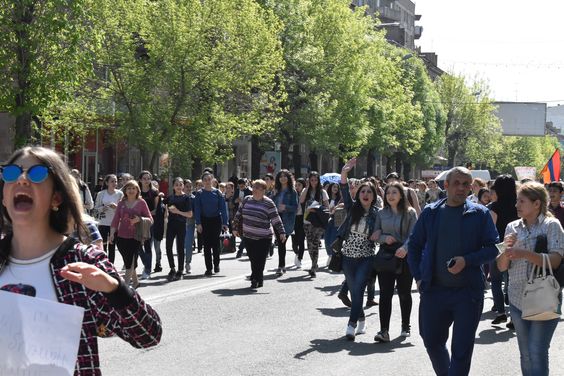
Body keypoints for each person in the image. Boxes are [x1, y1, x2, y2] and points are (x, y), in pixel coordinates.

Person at [0, 146, 161, 374]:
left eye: (36, 174)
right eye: (12, 173)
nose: (22, 179)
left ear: (56, 197)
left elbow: (149, 335)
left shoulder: (83, 262)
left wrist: (114, 290)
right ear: (5, 197)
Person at [408, 166, 499, 376]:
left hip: (468, 294)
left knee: (461, 351)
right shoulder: (431, 212)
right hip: (434, 291)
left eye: (466, 184)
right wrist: (419, 278)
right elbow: (414, 246)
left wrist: (466, 261)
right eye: (456, 183)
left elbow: (494, 248)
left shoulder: (480, 213)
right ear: (446, 185)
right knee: (431, 341)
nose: (461, 188)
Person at [497, 182, 564, 376]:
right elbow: (502, 266)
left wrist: (524, 253)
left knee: (537, 352)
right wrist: (504, 251)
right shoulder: (512, 227)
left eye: (521, 201)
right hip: (517, 299)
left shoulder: (551, 225)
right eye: (517, 200)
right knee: (525, 354)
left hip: (545, 298)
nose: (516, 205)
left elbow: (556, 260)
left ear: (536, 204)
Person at [338, 158, 380, 340]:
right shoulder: (352, 208)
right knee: (355, 292)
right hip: (348, 256)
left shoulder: (377, 213)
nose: (365, 194)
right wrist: (344, 173)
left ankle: (351, 324)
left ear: (373, 196)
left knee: (359, 290)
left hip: (367, 257)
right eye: (363, 191)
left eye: (369, 192)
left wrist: (379, 234)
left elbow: (385, 230)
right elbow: (344, 191)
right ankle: (361, 318)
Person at [373, 181, 418, 342]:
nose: (390, 196)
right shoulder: (380, 213)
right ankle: (383, 330)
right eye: (388, 193)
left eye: (394, 192)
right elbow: (375, 235)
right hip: (386, 257)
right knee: (385, 294)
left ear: (401, 195)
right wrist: (386, 238)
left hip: (404, 258)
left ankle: (405, 326)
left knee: (405, 293)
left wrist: (405, 248)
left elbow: (415, 236)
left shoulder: (410, 213)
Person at [232, 179, 286, 288]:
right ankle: (257, 277)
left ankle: (256, 278)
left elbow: (276, 218)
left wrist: (281, 232)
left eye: (258, 188)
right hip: (248, 236)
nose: (255, 190)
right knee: (253, 258)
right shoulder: (247, 200)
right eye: (254, 187)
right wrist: (234, 228)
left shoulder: (268, 203)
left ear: (264, 190)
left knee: (260, 259)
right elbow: (238, 215)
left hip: (264, 237)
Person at [487, 175, 518, 326]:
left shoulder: (495, 206)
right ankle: (514, 316)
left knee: (496, 280)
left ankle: (500, 312)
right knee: (513, 282)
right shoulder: (519, 204)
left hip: (499, 246)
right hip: (517, 245)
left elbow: (491, 229)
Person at [110, 180, 153, 288]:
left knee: (130, 263)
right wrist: (111, 234)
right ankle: (136, 282)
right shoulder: (121, 203)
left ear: (137, 190)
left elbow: (150, 219)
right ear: (125, 190)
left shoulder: (142, 203)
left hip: (136, 237)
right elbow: (115, 220)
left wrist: (139, 219)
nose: (131, 190)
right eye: (129, 188)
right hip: (121, 237)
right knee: (129, 261)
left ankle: (124, 288)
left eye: (133, 188)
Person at [194, 172, 229, 276]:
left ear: (212, 180)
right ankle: (209, 268)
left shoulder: (218, 193)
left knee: (215, 244)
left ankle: (216, 264)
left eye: (209, 179)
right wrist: (198, 223)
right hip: (204, 221)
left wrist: (225, 222)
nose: (207, 182)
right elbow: (197, 209)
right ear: (202, 181)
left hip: (216, 220)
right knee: (207, 245)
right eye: (205, 180)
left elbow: (223, 208)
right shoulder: (199, 194)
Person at [300, 171, 329, 278]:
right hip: (307, 220)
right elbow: (301, 200)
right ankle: (314, 262)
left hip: (318, 221)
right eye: (311, 180)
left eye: (315, 180)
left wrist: (316, 208)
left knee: (315, 243)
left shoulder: (322, 192)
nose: (313, 182)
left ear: (318, 180)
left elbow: (327, 208)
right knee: (309, 244)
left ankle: (313, 266)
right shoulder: (305, 190)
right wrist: (307, 187)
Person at [164, 177, 193, 281]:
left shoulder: (186, 198)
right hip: (171, 225)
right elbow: (163, 204)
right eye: (176, 184)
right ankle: (172, 269)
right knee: (168, 247)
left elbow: (190, 214)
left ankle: (180, 270)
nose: (178, 186)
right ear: (173, 186)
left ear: (183, 186)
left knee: (180, 248)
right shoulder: (170, 197)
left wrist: (177, 211)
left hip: (181, 225)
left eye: (180, 184)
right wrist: (166, 214)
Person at [272, 170, 298, 276]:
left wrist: (286, 207)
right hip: (276, 218)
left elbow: (295, 208)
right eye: (280, 176)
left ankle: (281, 265)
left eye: (285, 176)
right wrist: (272, 196)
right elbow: (271, 204)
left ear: (288, 178)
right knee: (279, 242)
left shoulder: (292, 192)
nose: (283, 178)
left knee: (282, 243)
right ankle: (281, 265)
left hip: (287, 219)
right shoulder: (276, 191)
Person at [93, 174, 123, 263]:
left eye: (116, 181)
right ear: (107, 183)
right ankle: (103, 263)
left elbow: (123, 209)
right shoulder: (101, 194)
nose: (114, 183)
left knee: (112, 245)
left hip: (114, 223)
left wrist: (116, 207)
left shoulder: (120, 194)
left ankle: (111, 264)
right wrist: (102, 208)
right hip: (103, 222)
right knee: (103, 245)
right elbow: (95, 209)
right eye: (112, 181)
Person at [138, 171, 159, 279]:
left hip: (149, 222)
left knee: (147, 246)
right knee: (137, 245)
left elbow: (156, 210)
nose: (146, 180)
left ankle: (147, 270)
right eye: (144, 178)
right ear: (140, 180)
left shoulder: (154, 192)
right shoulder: (136, 191)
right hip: (136, 222)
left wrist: (146, 215)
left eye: (148, 178)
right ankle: (146, 264)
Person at [324, 182, 342, 261]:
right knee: (327, 239)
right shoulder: (326, 198)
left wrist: (337, 207)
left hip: (337, 220)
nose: (335, 189)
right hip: (327, 220)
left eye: (337, 187)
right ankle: (329, 254)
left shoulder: (340, 198)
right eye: (334, 187)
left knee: (333, 239)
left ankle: (333, 256)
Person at [292, 177, 306, 268]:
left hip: (303, 219)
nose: (297, 187)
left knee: (301, 239)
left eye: (299, 185)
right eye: (296, 185)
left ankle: (300, 258)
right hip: (293, 219)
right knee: (294, 240)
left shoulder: (305, 195)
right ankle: (297, 253)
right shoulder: (293, 195)